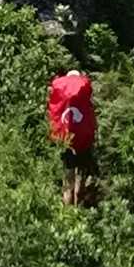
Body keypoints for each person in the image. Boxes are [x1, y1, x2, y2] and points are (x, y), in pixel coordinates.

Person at [47, 69, 98, 206]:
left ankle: (66, 212)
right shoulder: (85, 88)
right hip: (83, 140)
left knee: (67, 180)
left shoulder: (60, 89)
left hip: (65, 139)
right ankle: (78, 208)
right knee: (80, 176)